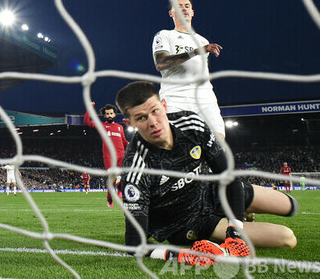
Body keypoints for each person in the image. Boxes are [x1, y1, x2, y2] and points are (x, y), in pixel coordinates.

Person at [115, 81, 297, 263]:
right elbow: (134, 244)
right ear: (129, 123)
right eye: (141, 118)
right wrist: (179, 255)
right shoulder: (135, 168)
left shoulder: (191, 124)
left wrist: (235, 229)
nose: (153, 123)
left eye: (155, 111)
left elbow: (229, 176)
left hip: (212, 192)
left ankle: (237, 215)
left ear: (164, 105)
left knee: (290, 206)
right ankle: (230, 219)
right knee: (287, 238)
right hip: (189, 222)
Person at [152, 0, 226, 138]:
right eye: (179, 6)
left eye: (187, 6)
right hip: (175, 97)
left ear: (192, 12)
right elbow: (161, 63)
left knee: (218, 141)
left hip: (205, 97)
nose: (184, 9)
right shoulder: (164, 35)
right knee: (178, 143)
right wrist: (195, 51)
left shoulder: (203, 40)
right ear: (171, 13)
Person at [84, 102, 129, 207]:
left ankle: (119, 189)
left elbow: (124, 141)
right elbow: (87, 121)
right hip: (109, 156)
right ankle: (109, 197)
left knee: (122, 176)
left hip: (121, 155)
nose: (109, 115)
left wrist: (132, 145)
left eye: (111, 113)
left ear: (115, 114)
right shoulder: (102, 126)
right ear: (104, 115)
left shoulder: (119, 127)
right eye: (107, 114)